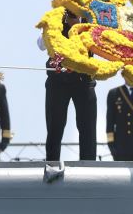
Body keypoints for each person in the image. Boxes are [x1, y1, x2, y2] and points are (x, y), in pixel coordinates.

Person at [37, 10, 97, 161]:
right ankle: (52, 163)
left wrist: (80, 25)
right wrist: (56, 24)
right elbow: (41, 45)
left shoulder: (91, 19)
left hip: (83, 80)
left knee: (87, 127)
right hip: (58, 81)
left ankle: (88, 166)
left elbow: (101, 43)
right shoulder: (56, 17)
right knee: (54, 126)